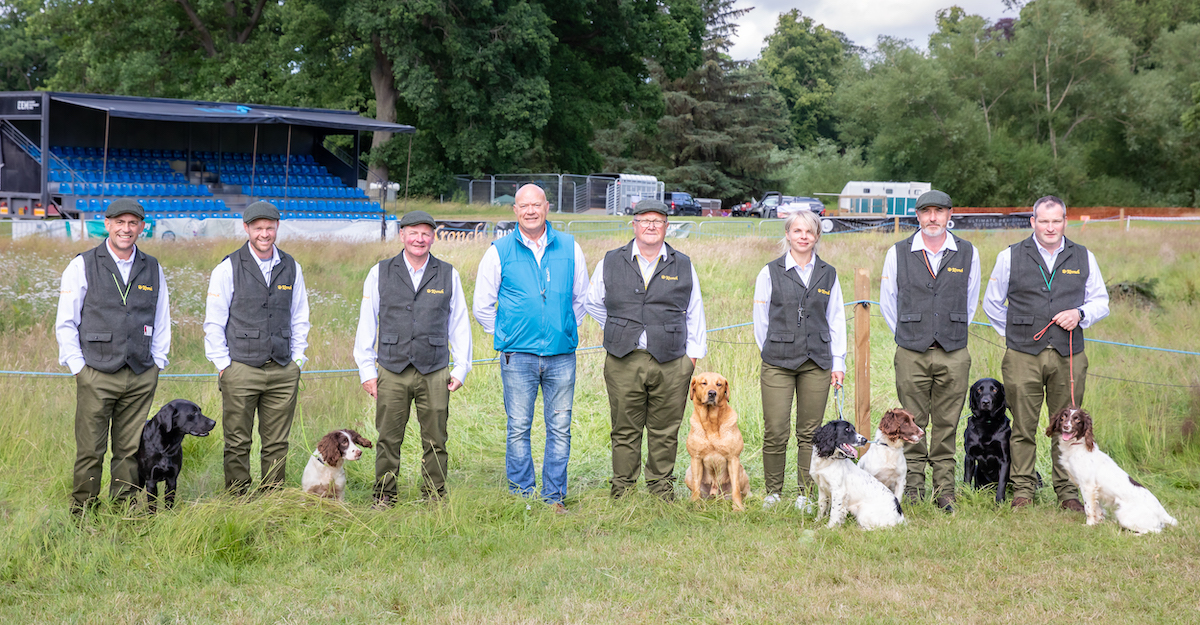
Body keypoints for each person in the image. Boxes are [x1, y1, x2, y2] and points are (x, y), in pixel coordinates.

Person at [983, 195, 1109, 511]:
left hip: (1069, 355)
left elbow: (1101, 301)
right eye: (1043, 220)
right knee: (1023, 426)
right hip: (1022, 355)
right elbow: (992, 303)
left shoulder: (1084, 256)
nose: (1050, 227)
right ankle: (1023, 491)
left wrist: (1080, 313)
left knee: (1068, 427)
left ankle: (1067, 493)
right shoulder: (1009, 256)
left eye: (1056, 221)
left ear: (1065, 222)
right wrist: (1016, 334)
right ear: (1033, 222)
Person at [472, 184, 589, 513]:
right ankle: (521, 495)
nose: (530, 211)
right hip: (517, 357)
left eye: (536, 205)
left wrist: (563, 326)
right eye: (524, 206)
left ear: (547, 207)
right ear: (515, 211)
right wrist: (507, 333)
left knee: (560, 428)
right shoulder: (499, 251)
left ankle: (554, 497)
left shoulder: (569, 247)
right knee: (519, 427)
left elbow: (581, 299)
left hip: (561, 357)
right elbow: (483, 305)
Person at [584, 199, 706, 501]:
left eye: (658, 221)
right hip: (624, 360)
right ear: (634, 225)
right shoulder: (610, 261)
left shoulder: (684, 264)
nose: (651, 226)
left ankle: (661, 489)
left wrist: (691, 358)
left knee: (665, 430)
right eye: (644, 220)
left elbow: (695, 311)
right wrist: (623, 329)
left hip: (672, 361)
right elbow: (592, 302)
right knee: (624, 429)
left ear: (666, 227)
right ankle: (622, 489)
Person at [56, 199, 171, 515]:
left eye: (133, 223)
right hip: (95, 371)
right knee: (91, 450)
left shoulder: (153, 267)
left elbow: (162, 319)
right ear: (107, 224)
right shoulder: (83, 264)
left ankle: (123, 509)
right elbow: (66, 321)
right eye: (120, 222)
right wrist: (79, 368)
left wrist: (157, 363)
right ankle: (83, 512)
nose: (126, 229)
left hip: (140, 374)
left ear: (141, 227)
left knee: (130, 450)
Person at [353, 211, 472, 507]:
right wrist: (367, 370)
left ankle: (433, 496)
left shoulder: (448, 273)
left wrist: (461, 367)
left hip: (434, 369)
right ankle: (384, 496)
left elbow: (458, 323)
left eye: (426, 233)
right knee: (388, 438)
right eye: (413, 233)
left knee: (435, 439)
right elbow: (367, 322)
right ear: (402, 235)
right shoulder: (379, 272)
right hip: (391, 368)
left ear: (433, 237)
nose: (420, 239)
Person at [880, 190, 980, 513]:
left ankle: (945, 491)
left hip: (954, 352)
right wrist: (913, 333)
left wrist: (948, 332)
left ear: (951, 214)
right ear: (918, 216)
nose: (933, 218)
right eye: (926, 212)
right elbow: (887, 302)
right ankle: (912, 489)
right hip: (912, 352)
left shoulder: (967, 253)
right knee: (912, 422)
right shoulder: (898, 253)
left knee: (947, 425)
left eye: (939, 211)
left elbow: (971, 301)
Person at [204, 201, 310, 494]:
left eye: (270, 227)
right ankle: (237, 496)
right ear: (246, 228)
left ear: (277, 228)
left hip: (282, 369)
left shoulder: (291, 266)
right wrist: (224, 365)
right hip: (240, 368)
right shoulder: (227, 268)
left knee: (277, 441)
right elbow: (214, 322)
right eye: (258, 228)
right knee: (237, 440)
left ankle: (273, 496)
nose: (265, 234)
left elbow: (300, 316)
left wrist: (297, 360)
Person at [752, 210, 845, 511]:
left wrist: (838, 362)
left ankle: (805, 493)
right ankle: (773, 491)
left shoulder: (828, 274)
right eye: (797, 231)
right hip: (777, 362)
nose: (803, 236)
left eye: (809, 231)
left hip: (816, 362)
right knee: (776, 429)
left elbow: (836, 320)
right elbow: (761, 321)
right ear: (788, 234)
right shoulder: (769, 272)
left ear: (817, 236)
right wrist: (774, 349)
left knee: (810, 432)